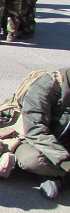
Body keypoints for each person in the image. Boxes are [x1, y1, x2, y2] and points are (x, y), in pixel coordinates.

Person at [14, 68, 70, 199]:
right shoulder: (46, 85)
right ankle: (56, 174)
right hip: (36, 141)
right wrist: (66, 163)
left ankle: (55, 176)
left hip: (64, 142)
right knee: (31, 159)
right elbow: (35, 131)